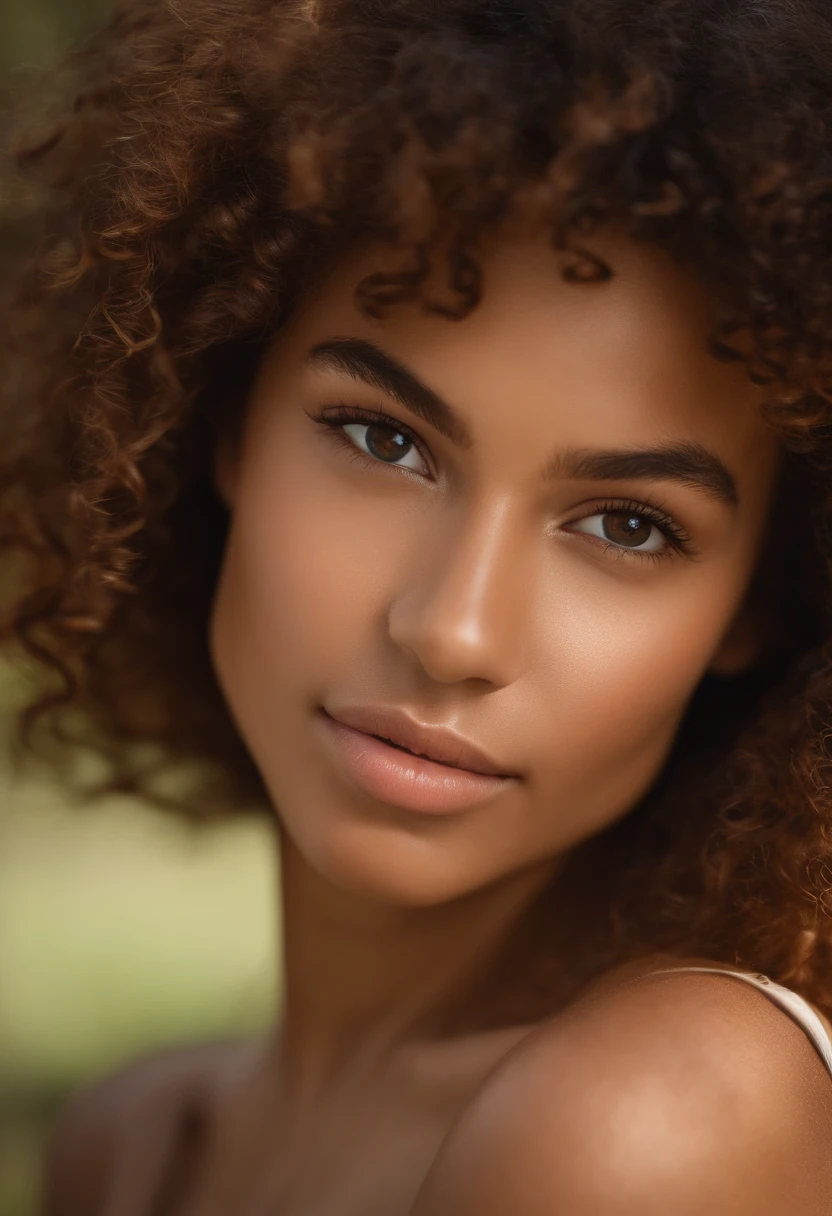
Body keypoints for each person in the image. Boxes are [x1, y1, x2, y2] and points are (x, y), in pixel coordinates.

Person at [4, 0, 832, 1211]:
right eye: (382, 439)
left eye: (626, 525)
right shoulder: (133, 1146)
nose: (453, 629)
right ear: (222, 411)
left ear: (756, 602)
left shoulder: (649, 1125)